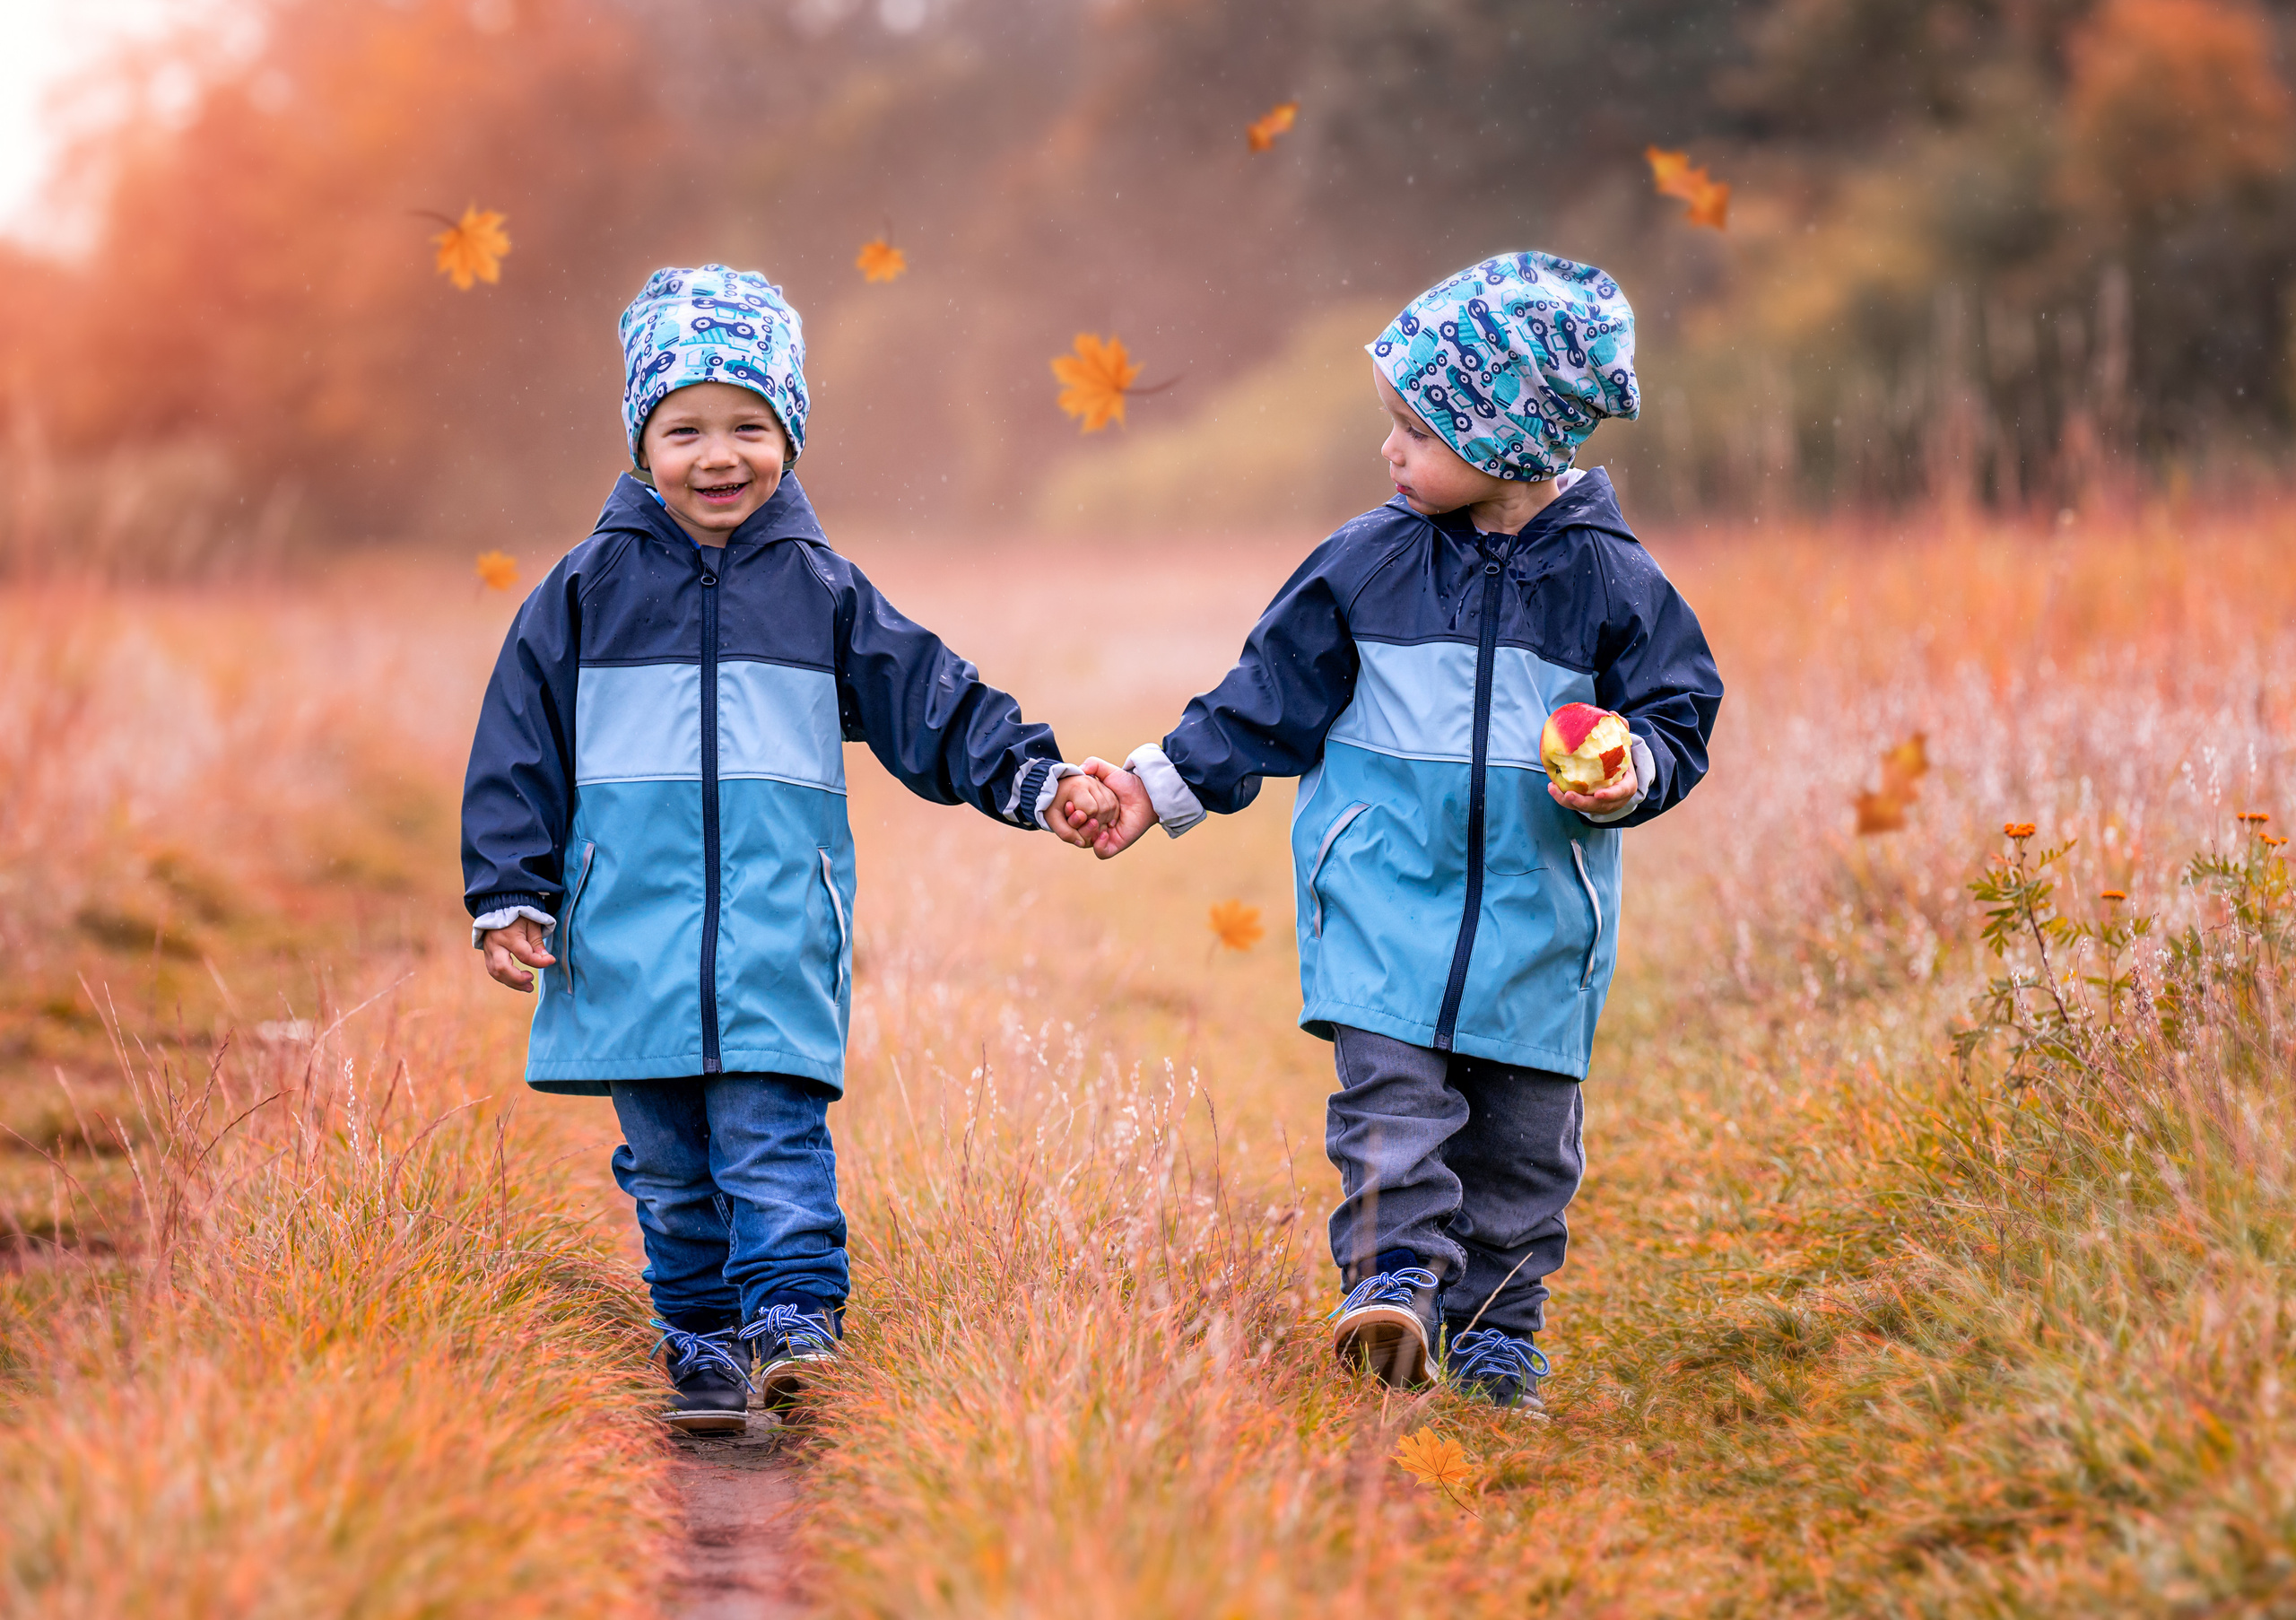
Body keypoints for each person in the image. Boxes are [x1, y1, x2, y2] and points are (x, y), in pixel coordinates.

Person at [461, 265, 1118, 1434]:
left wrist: (1037, 778)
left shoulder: (823, 592)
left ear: (791, 434)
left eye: (749, 427)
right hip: (628, 939)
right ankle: (705, 1347)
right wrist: (511, 890)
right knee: (669, 1171)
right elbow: (519, 748)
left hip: (776, 930)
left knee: (772, 1144)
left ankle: (798, 1327)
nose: (719, 456)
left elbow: (934, 706)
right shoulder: (582, 594)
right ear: (640, 440)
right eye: (686, 429)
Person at [1078, 252, 1722, 1413]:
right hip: (1383, 903)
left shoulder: (1614, 583)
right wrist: (1154, 786)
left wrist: (1633, 768)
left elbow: (1678, 714)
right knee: (1392, 1111)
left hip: (1538, 919)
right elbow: (1263, 700)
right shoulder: (1365, 563)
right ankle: (1391, 1284)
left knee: (1524, 1149)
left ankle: (1497, 1335)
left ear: (1511, 439)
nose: (1390, 450)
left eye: (1417, 430)